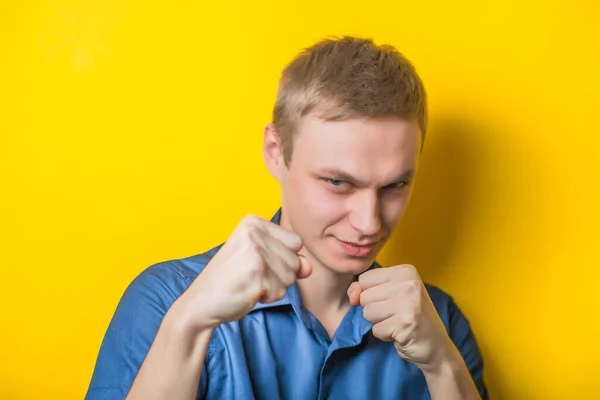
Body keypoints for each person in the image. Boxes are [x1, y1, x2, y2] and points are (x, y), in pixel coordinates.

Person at [85, 36, 489, 400]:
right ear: (277, 152)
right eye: (337, 182)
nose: (369, 223)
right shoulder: (166, 301)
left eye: (394, 186)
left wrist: (442, 366)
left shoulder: (439, 322)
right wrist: (187, 326)